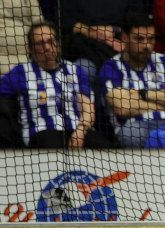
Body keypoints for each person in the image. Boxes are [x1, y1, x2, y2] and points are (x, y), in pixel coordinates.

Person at [0, 21, 110, 149]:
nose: (47, 47)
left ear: (58, 44)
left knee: (100, 143)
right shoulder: (20, 73)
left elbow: (88, 109)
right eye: (40, 43)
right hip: (41, 133)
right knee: (50, 141)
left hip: (76, 131)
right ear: (30, 49)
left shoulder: (75, 70)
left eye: (51, 41)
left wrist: (81, 131)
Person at [99, 14, 165, 148]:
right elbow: (122, 107)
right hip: (136, 128)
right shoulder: (111, 67)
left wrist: (142, 95)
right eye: (139, 39)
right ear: (124, 38)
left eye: (151, 39)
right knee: (131, 133)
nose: (146, 45)